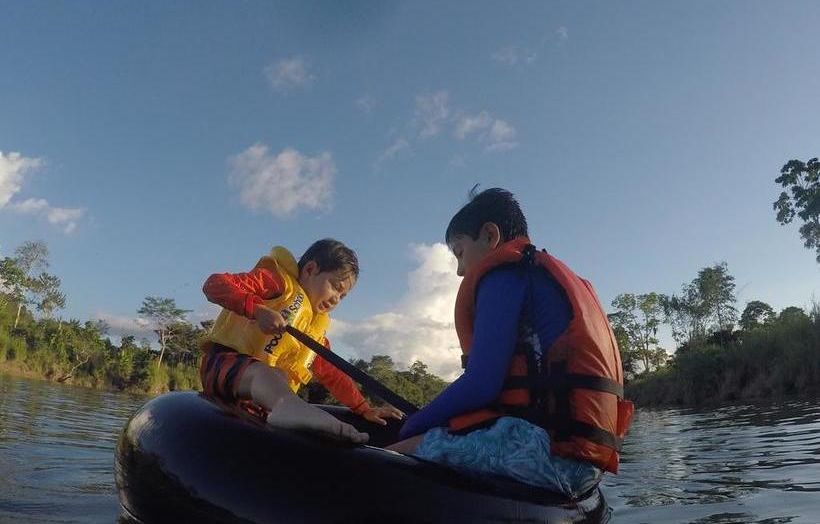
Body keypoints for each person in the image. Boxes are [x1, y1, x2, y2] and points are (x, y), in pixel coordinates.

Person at [389, 188, 633, 498]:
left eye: (460, 252)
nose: (460, 270)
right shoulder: (542, 273)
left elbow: (482, 384)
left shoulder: (504, 274)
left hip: (552, 459)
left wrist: (411, 426)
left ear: (490, 235)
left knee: (392, 452)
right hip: (587, 467)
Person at [200, 238, 402, 443]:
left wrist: (364, 408)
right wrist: (258, 310)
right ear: (310, 269)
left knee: (276, 376)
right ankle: (285, 405)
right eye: (334, 286)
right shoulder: (276, 283)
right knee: (266, 373)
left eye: (342, 296)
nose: (335, 300)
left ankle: (285, 407)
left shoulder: (315, 334)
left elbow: (334, 375)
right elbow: (215, 284)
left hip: (261, 405)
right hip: (223, 369)